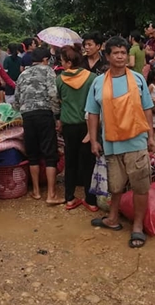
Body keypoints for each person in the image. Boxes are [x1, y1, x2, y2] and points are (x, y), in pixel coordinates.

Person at [85, 36, 155, 249]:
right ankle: (113, 219)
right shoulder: (98, 82)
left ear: (127, 55)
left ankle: (137, 227)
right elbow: (93, 113)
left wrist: (151, 137)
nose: (120, 56)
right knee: (115, 186)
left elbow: (147, 109)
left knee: (140, 186)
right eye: (115, 52)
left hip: (136, 142)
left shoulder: (137, 79)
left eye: (123, 52)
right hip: (111, 143)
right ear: (107, 56)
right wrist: (94, 140)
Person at [14, 47, 63, 204]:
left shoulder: (22, 75)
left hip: (27, 115)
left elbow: (16, 100)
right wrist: (57, 116)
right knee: (50, 154)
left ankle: (35, 191)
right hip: (44, 114)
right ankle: (51, 194)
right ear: (45, 59)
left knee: (33, 154)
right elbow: (53, 94)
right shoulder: (48, 71)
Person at [56, 45, 98, 212]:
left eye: (62, 61)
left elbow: (58, 100)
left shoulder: (59, 79)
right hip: (88, 125)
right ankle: (91, 200)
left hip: (68, 126)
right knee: (88, 163)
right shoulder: (92, 77)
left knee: (71, 162)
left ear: (67, 62)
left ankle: (70, 199)